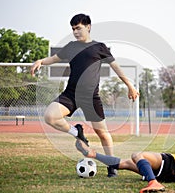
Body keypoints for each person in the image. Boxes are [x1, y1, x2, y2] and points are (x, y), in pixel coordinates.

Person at [30, 13, 139, 177]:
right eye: (73, 29)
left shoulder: (99, 47)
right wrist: (41, 61)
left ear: (88, 27)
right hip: (71, 94)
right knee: (50, 116)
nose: (75, 32)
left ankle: (112, 166)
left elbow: (116, 67)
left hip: (91, 97)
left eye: (78, 28)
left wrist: (129, 85)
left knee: (102, 133)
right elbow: (54, 58)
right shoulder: (71, 47)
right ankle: (76, 132)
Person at [75, 117, 175, 193]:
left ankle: (153, 182)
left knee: (137, 155)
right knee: (125, 163)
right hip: (174, 175)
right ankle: (94, 154)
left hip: (174, 163)